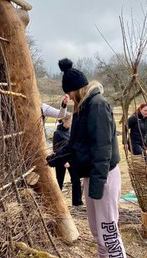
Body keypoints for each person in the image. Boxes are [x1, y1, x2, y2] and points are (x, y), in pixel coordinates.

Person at [48, 58, 126, 257]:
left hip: (104, 176)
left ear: (77, 89)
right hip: (92, 176)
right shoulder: (82, 108)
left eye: (70, 93)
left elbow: (103, 150)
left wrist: (98, 187)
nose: (70, 98)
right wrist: (53, 159)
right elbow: (75, 145)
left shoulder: (98, 106)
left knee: (108, 233)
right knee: (97, 233)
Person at [51, 113, 83, 206]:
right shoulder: (57, 133)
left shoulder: (71, 131)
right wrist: (63, 161)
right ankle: (58, 202)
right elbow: (55, 149)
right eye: (70, 121)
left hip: (71, 159)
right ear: (65, 120)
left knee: (76, 180)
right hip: (61, 160)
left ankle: (77, 202)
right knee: (59, 181)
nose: (71, 123)